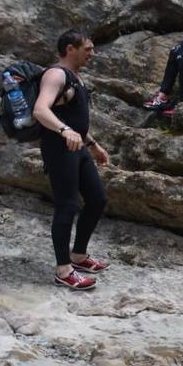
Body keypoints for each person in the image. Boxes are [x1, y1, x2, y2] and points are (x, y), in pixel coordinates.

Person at [32, 29, 111, 290]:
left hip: (77, 148)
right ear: (70, 49)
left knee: (98, 199)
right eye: (87, 49)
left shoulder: (76, 78)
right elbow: (40, 110)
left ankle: (78, 256)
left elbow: (75, 120)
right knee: (67, 205)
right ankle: (63, 270)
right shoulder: (56, 74)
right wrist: (65, 131)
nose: (92, 53)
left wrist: (94, 146)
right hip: (59, 148)